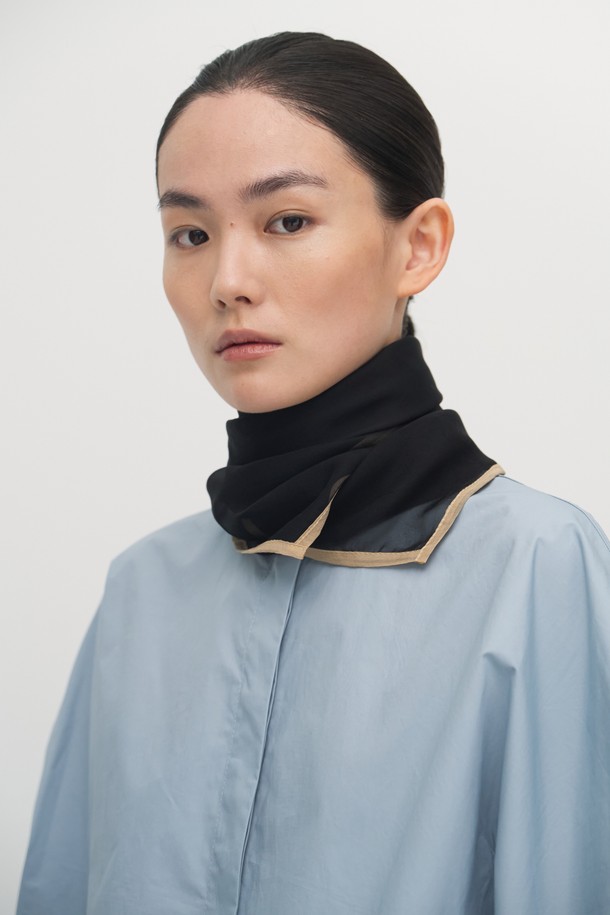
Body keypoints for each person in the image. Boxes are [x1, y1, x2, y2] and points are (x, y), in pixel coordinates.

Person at [17, 31, 610, 915]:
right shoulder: (142, 591)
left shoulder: (537, 570)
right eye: (190, 233)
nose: (228, 280)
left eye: (286, 221)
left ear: (419, 246)